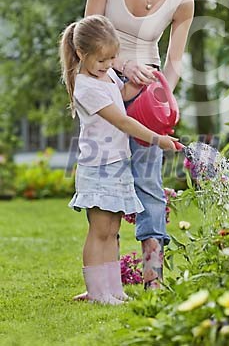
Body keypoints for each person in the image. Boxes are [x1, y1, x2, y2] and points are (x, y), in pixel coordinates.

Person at [84, 0, 199, 289]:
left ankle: (154, 275)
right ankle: (105, 282)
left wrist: (165, 97)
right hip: (102, 82)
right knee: (106, 180)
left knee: (148, 181)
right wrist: (121, 65)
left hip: (146, 93)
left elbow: (174, 61)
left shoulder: (182, 0)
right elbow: (87, 36)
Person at [59, 15, 178, 304]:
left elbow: (121, 94)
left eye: (112, 58)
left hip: (117, 163)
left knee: (112, 231)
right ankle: (97, 292)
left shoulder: (107, 74)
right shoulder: (86, 87)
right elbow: (122, 121)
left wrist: (141, 85)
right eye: (101, 60)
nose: (108, 65)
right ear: (80, 54)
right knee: (99, 231)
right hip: (99, 168)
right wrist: (157, 139)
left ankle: (114, 290)